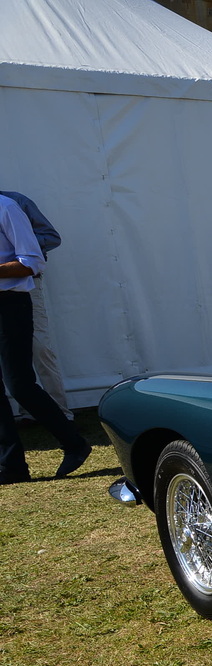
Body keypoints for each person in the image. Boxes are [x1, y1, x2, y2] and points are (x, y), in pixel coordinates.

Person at [0, 193, 89, 485]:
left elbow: (33, 261)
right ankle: (12, 467)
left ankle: (75, 445)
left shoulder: (7, 207)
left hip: (9, 304)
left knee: (20, 384)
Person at [1, 190, 69, 419]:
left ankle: (60, 411)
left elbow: (51, 236)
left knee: (40, 347)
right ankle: (28, 411)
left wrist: (22, 240)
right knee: (13, 356)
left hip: (26, 284)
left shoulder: (15, 203)